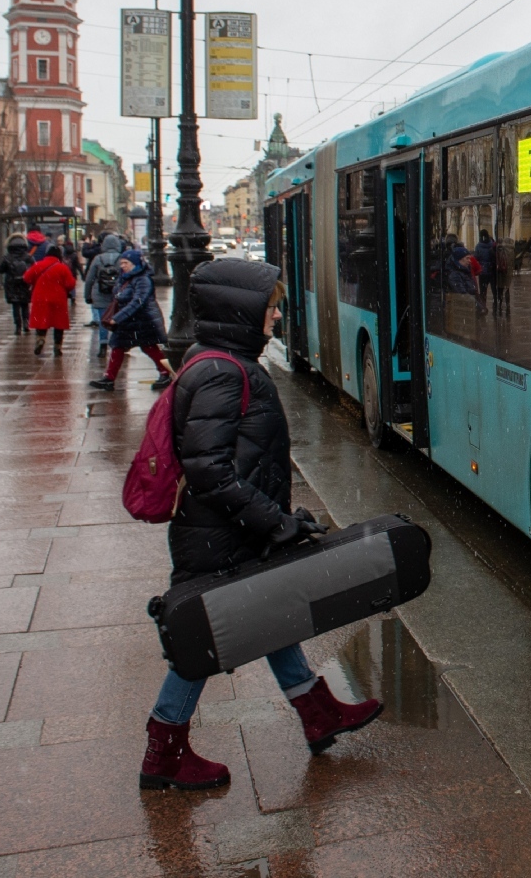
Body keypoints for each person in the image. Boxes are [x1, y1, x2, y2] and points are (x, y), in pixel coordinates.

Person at [139, 260, 382, 791]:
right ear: (240, 312)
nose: (276, 316)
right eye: (270, 307)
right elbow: (209, 469)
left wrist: (273, 520)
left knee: (271, 614)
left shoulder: (219, 363)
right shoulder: (224, 373)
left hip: (227, 525)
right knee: (202, 638)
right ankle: (164, 754)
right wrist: (275, 522)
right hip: (220, 530)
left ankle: (317, 713)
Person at [91, 248, 173, 391]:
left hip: (142, 321)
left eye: (126, 263)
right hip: (129, 321)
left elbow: (138, 302)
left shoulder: (143, 279)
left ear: (135, 264)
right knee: (117, 346)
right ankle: (109, 378)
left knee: (149, 347)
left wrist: (117, 318)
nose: (122, 266)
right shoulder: (126, 278)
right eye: (122, 263)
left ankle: (165, 373)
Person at [24, 243, 76, 356]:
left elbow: (26, 277)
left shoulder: (38, 265)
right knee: (59, 323)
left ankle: (40, 339)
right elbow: (71, 284)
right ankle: (57, 347)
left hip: (40, 298)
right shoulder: (62, 267)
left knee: (42, 321)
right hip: (58, 298)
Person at [83, 233, 126, 358]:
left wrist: (88, 296)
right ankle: (116, 345)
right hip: (117, 295)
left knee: (103, 320)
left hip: (100, 293)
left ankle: (103, 346)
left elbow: (90, 279)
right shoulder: (121, 258)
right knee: (117, 319)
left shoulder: (98, 259)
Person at [0, 235, 34, 334]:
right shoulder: (28, 257)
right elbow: (34, 268)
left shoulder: (7, 257)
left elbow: (0, 270)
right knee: (25, 304)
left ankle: (18, 326)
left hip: (11, 283)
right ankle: (26, 323)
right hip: (24, 283)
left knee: (15, 305)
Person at [474, 230, 496, 317]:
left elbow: (476, 258)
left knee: (483, 292)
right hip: (492, 271)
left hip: (483, 272)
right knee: (495, 291)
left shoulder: (478, 246)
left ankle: (483, 307)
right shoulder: (492, 244)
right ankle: (495, 308)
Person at [491, 230, 513, 315]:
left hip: (500, 272)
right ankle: (507, 305)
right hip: (508, 273)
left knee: (499, 289)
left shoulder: (498, 249)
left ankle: (499, 304)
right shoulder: (511, 250)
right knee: (507, 289)